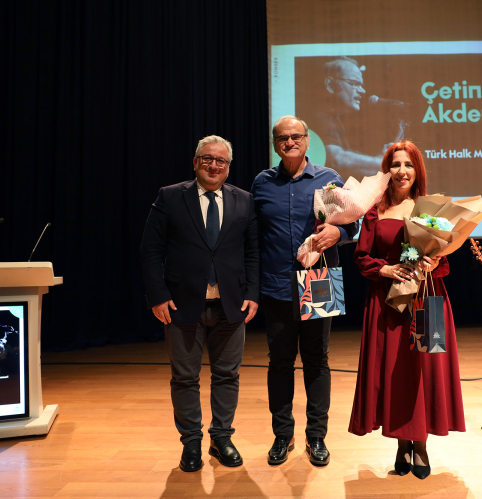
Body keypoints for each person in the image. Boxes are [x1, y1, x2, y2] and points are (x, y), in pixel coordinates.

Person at [140, 135, 259, 473]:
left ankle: (221, 437)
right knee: (184, 378)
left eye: (221, 160)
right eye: (207, 158)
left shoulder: (244, 200)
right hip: (181, 306)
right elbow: (150, 250)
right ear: (195, 163)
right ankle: (191, 441)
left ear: (228, 167)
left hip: (230, 306)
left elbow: (253, 252)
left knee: (227, 376)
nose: (213, 165)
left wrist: (253, 293)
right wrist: (158, 295)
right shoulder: (170, 196)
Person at [348, 140, 465, 479]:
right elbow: (362, 257)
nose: (402, 171)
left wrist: (434, 263)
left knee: (425, 370)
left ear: (418, 170)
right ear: (387, 170)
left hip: (427, 299)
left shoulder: (432, 211)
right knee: (395, 371)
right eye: (396, 164)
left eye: (408, 164)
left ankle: (421, 443)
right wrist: (385, 269)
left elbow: (444, 261)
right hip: (388, 302)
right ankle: (402, 442)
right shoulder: (374, 211)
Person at [251, 116, 359, 467]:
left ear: (307, 139)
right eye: (282, 138)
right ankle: (283, 435)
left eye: (296, 136)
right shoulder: (263, 182)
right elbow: (252, 234)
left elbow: (352, 225)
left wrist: (339, 234)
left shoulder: (327, 179)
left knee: (317, 360)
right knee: (280, 362)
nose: (290, 142)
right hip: (276, 284)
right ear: (274, 144)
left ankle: (316, 437)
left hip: (321, 281)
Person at [309, 57, 400, 175]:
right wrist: (383, 162)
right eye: (354, 84)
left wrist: (380, 158)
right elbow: (336, 159)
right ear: (330, 85)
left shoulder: (334, 120)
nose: (362, 91)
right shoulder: (318, 118)